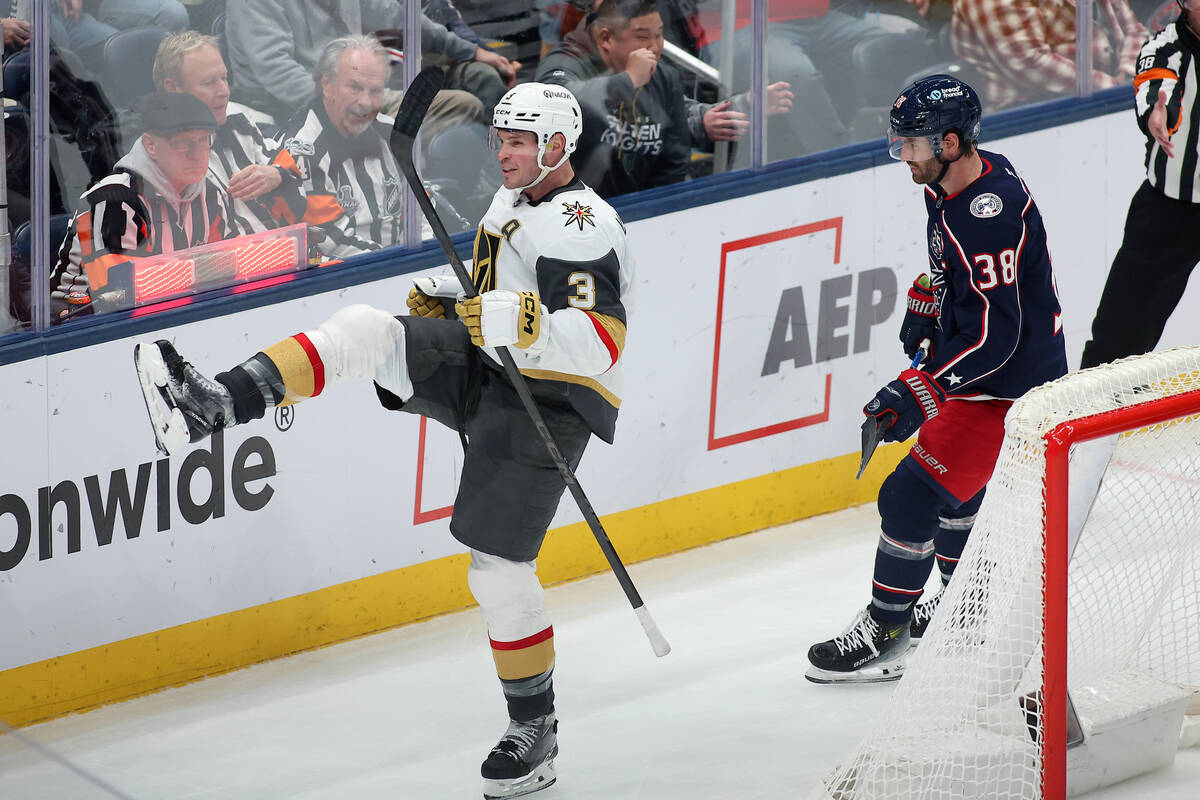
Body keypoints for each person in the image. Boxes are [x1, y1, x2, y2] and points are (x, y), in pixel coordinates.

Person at [132, 82, 632, 798]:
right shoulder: (514, 200)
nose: (505, 153)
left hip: (554, 397)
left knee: (496, 570)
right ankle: (210, 405)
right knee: (367, 329)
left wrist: (518, 320)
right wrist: (461, 302)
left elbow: (600, 343)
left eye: (520, 142)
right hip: (491, 363)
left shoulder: (582, 226)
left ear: (557, 146)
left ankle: (536, 728)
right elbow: (501, 292)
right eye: (501, 139)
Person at [805, 74, 1067, 684]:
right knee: (956, 493)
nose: (904, 156)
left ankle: (887, 631)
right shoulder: (955, 181)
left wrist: (922, 386)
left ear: (950, 142)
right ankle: (964, 608)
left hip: (1007, 390)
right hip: (982, 376)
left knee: (909, 495)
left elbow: (997, 338)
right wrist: (932, 294)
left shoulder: (990, 217)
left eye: (912, 145)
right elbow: (966, 277)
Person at [1082, 0, 1200, 368]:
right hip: (1170, 209)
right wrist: (1155, 114)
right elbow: (1156, 87)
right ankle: (1091, 414)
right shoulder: (1165, 47)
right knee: (1122, 332)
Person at [50, 91, 231, 320]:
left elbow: (226, 271)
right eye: (183, 143)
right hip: (80, 326)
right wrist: (202, 270)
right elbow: (120, 293)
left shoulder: (211, 195)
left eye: (203, 140)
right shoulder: (115, 201)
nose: (197, 154)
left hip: (177, 312)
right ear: (150, 145)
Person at [223, 0, 502, 127]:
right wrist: (346, 106)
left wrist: (472, 51)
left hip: (359, 91)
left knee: (482, 79)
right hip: (296, 110)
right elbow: (278, 71)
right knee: (460, 106)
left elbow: (399, 19)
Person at [153, 31, 308, 236]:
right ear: (173, 89)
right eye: (208, 83)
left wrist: (277, 174)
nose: (224, 91)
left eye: (224, 78)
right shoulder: (161, 157)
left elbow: (290, 167)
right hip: (229, 264)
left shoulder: (237, 120)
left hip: (281, 252)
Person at [536, 0, 693, 197]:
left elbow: (674, 161)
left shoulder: (665, 78)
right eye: (643, 36)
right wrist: (627, 82)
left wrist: (651, 208)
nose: (655, 47)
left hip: (642, 210)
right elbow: (551, 103)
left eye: (659, 35)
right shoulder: (566, 59)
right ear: (606, 38)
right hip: (572, 210)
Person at [277, 35, 413, 258]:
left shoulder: (393, 135)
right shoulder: (300, 151)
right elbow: (332, 243)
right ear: (327, 85)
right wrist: (404, 266)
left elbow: (424, 213)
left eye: (375, 91)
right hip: (343, 282)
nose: (366, 103)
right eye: (355, 88)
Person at [949, 0, 1147, 109]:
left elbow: (1133, 30)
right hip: (1032, 117)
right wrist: (1117, 89)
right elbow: (1027, 61)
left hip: (1113, 98)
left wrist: (1131, 73)